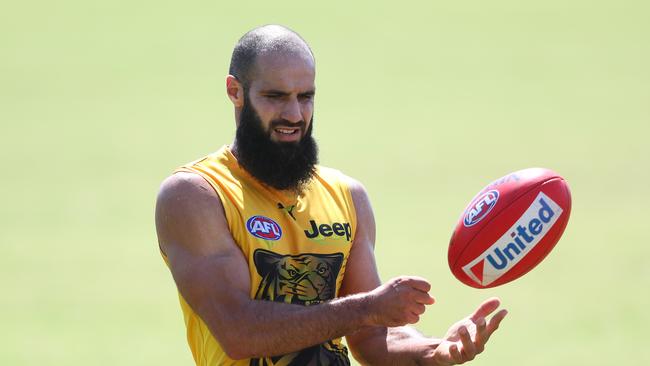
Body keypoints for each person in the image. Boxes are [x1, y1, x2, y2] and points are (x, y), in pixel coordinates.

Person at [155, 24, 508, 366]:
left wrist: (436, 350)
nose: (294, 115)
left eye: (305, 97)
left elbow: (372, 339)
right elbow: (238, 331)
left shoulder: (346, 196)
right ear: (235, 91)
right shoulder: (197, 194)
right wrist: (366, 308)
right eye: (275, 97)